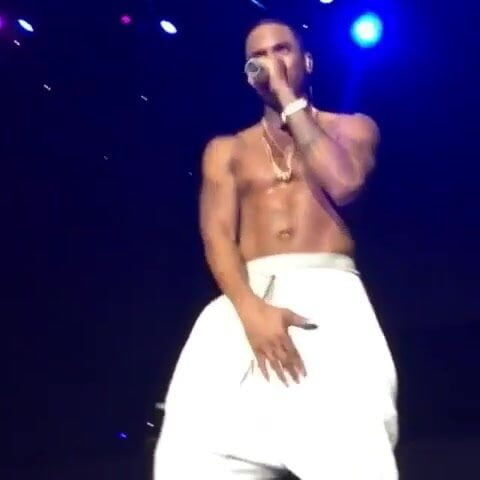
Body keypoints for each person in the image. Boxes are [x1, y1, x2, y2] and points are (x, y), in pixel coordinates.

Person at [154, 18, 398, 480]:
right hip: (245, 300)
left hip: (328, 296)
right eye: (258, 56)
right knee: (194, 454)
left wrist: (288, 99)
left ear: (308, 61)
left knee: (352, 454)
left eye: (281, 50)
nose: (270, 62)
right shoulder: (226, 149)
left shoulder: (352, 128)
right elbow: (217, 235)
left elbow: (344, 184)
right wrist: (250, 311)